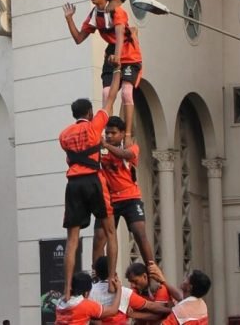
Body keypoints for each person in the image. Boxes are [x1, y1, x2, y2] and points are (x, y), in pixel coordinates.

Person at [59, 72, 124, 299]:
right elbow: (112, 97)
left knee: (72, 239)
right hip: (94, 181)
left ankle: (67, 289)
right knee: (110, 232)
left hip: (73, 184)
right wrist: (116, 72)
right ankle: (112, 280)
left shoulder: (64, 135)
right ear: (89, 113)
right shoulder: (95, 125)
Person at [63, 0, 143, 140]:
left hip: (128, 52)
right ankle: (109, 131)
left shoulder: (117, 11)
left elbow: (120, 35)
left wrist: (118, 58)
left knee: (127, 92)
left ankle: (127, 134)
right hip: (112, 51)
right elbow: (79, 38)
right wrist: (69, 19)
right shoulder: (94, 14)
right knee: (106, 93)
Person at [92, 116, 155, 270]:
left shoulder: (131, 147)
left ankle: (152, 269)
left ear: (122, 134)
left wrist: (105, 144)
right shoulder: (102, 151)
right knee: (99, 238)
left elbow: (126, 156)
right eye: (107, 133)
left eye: (113, 133)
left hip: (130, 198)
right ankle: (96, 272)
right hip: (109, 200)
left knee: (139, 233)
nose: (109, 136)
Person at [88, 257, 172, 325]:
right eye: (131, 282)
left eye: (135, 281)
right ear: (114, 272)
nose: (132, 285)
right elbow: (151, 307)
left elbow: (156, 314)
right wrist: (173, 310)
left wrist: (135, 314)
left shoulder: (89, 291)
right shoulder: (125, 293)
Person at [56, 272, 123, 325]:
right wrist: (119, 289)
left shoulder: (60, 302)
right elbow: (113, 310)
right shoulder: (85, 305)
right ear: (86, 292)